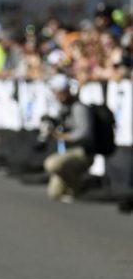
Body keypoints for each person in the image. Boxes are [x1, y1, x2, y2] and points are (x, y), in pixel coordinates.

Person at [42, 74, 95, 202]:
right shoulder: (63, 108)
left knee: (51, 164)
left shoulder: (79, 107)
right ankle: (76, 184)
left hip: (82, 152)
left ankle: (81, 185)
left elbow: (84, 132)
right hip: (67, 151)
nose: (56, 95)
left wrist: (62, 137)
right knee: (54, 193)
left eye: (58, 91)